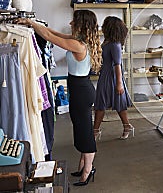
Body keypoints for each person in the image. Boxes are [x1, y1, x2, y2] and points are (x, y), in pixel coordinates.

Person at [17, 10, 102, 186]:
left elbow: (48, 36)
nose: (70, 23)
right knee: (81, 129)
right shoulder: (79, 41)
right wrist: (33, 25)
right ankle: (83, 165)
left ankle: (88, 169)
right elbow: (53, 33)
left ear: (81, 24)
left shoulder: (78, 45)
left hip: (81, 92)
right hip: (80, 90)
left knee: (85, 131)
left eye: (74, 21)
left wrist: (31, 23)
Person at [93, 16, 133, 140]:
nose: (102, 27)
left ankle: (96, 131)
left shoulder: (114, 44)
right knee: (101, 102)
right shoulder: (108, 42)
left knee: (115, 103)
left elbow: (117, 64)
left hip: (113, 77)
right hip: (106, 75)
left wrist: (119, 83)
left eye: (105, 25)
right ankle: (97, 130)